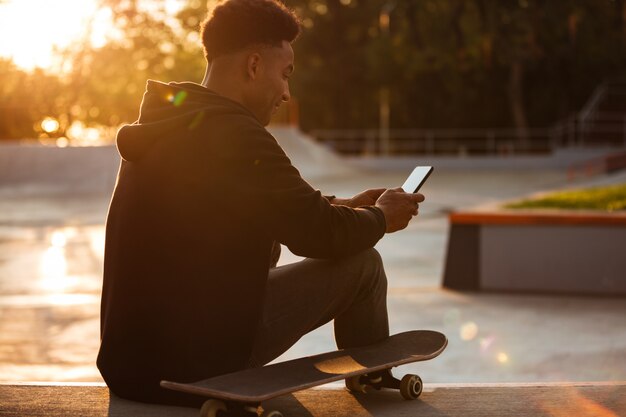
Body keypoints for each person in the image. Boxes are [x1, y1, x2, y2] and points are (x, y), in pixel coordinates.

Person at [97, 0, 424, 407]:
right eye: (285, 74)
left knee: (268, 241)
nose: (287, 92)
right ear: (253, 65)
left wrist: (346, 204)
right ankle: (374, 382)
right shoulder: (235, 134)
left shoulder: (171, 125)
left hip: (131, 364)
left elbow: (269, 203)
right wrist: (379, 217)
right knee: (364, 265)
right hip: (196, 362)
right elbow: (320, 234)